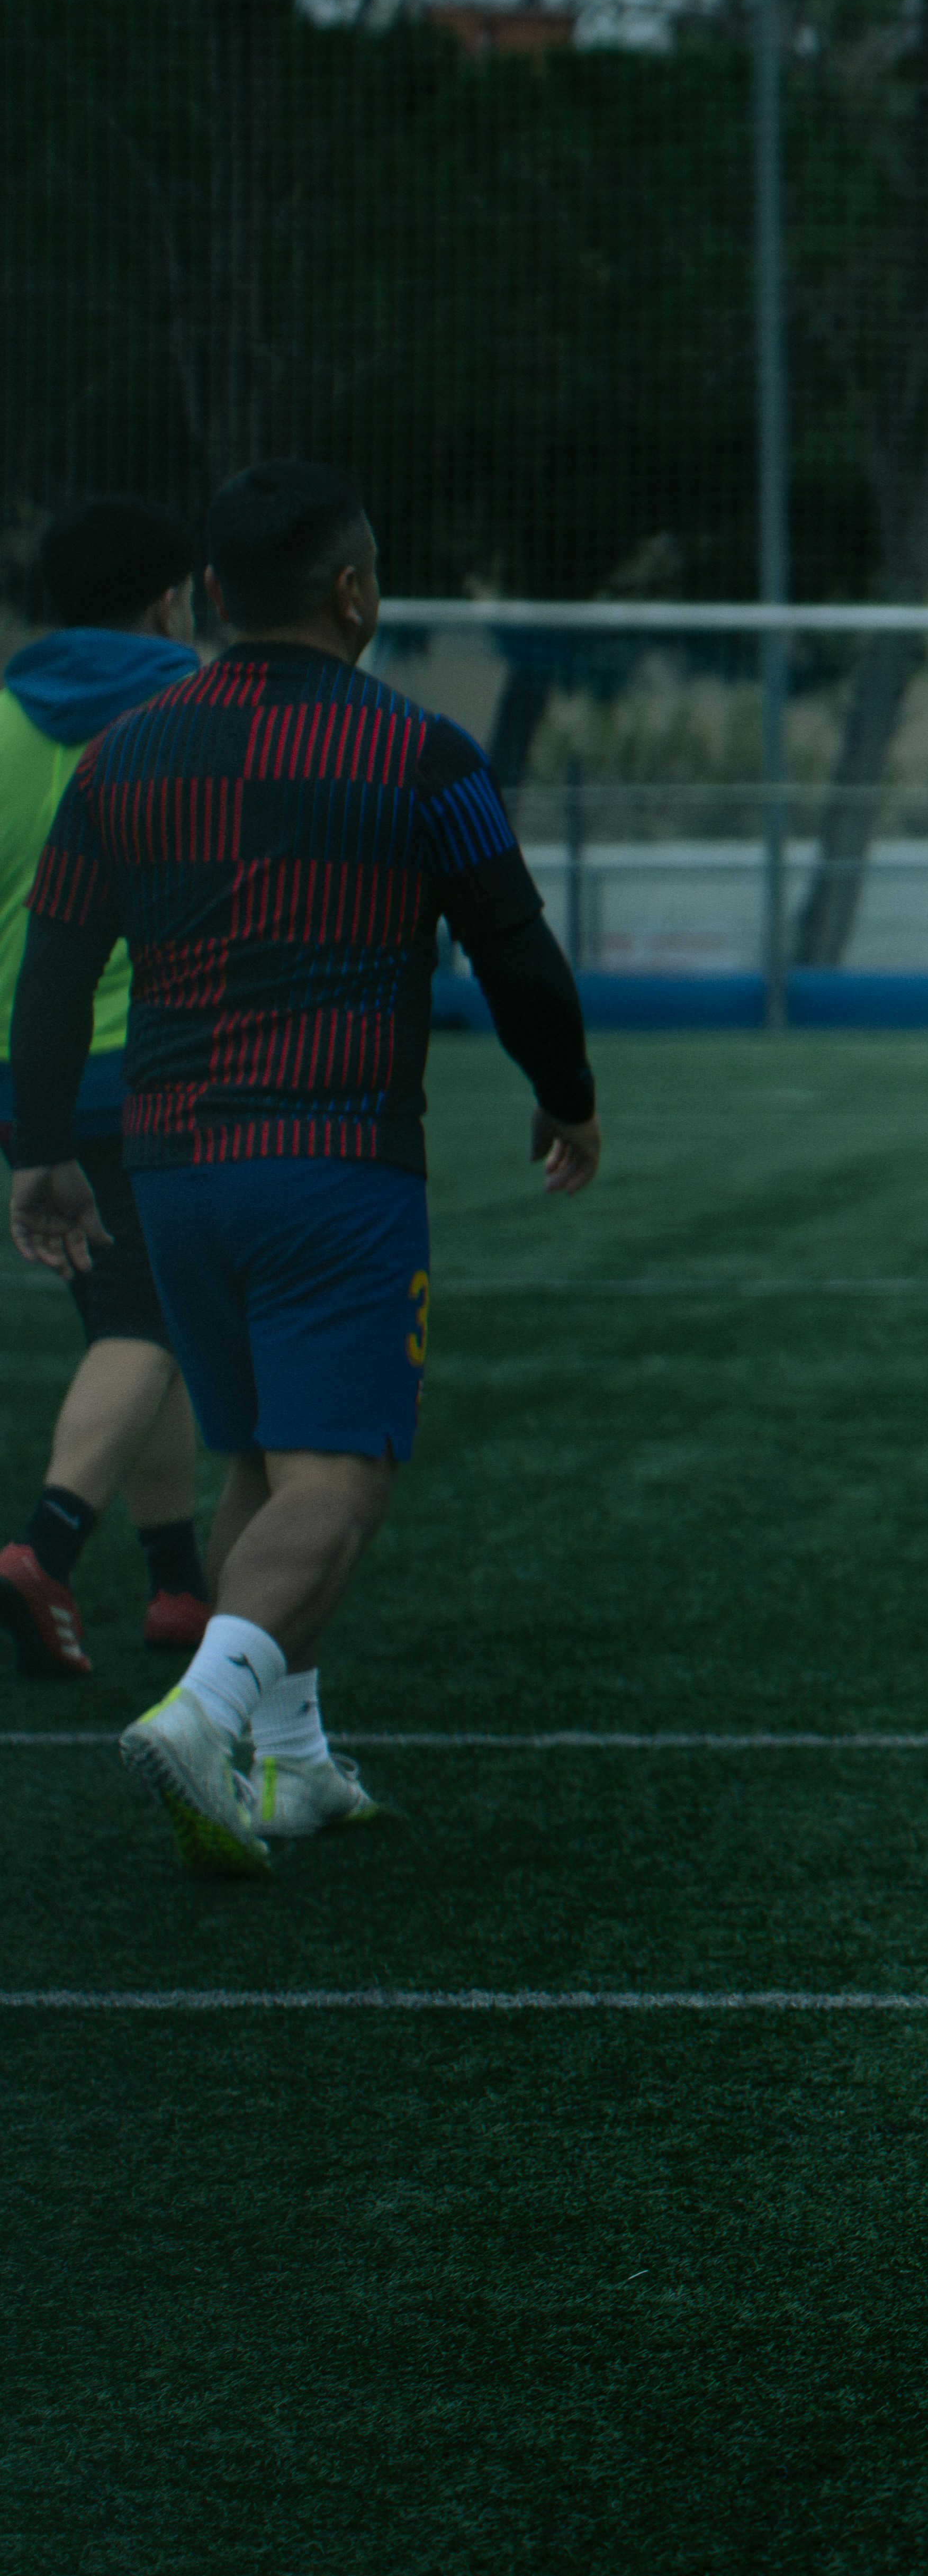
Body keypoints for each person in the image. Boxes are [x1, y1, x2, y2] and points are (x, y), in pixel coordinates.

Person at [7, 465, 603, 1873]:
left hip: (174, 1164)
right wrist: (566, 1098)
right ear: (355, 591)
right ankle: (206, 1716)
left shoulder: (123, 757)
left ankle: (292, 1760)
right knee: (342, 1477)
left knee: (259, 1463)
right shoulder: (423, 752)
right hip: (334, 1162)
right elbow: (514, 947)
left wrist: (40, 1150)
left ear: (213, 598)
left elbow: (52, 971)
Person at [0, 498, 210, 1680]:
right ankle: (46, 1549)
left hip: (27, 1080)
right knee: (150, 1322)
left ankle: (178, 1584)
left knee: (131, 1326)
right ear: (168, 602)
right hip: (159, 1069)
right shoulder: (188, 719)